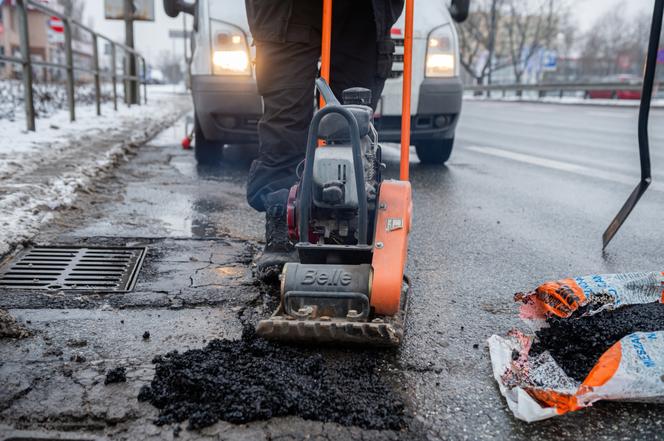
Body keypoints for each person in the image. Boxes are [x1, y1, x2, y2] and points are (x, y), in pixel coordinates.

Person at [245, 0, 404, 281]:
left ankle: (349, 227)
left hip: (364, 11)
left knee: (352, 122)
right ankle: (283, 219)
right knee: (285, 122)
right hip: (287, 10)